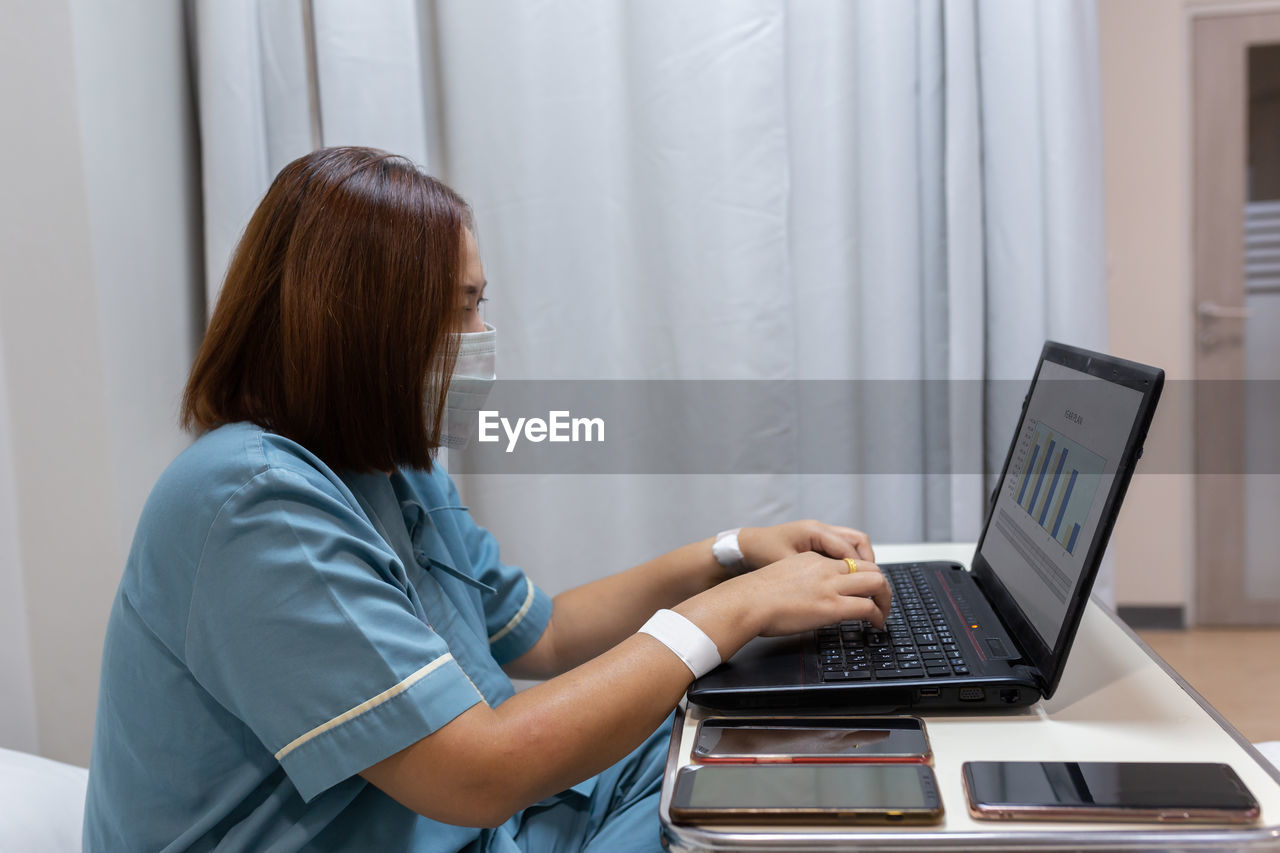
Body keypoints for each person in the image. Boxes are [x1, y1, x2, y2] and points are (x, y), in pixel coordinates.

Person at [82, 146, 891, 852]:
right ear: (370, 326)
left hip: (491, 826)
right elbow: (476, 773)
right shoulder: (253, 505)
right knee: (754, 816)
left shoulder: (388, 463)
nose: (482, 332)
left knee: (765, 761)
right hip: (470, 812)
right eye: (463, 305)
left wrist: (730, 555)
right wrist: (733, 613)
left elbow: (544, 631)